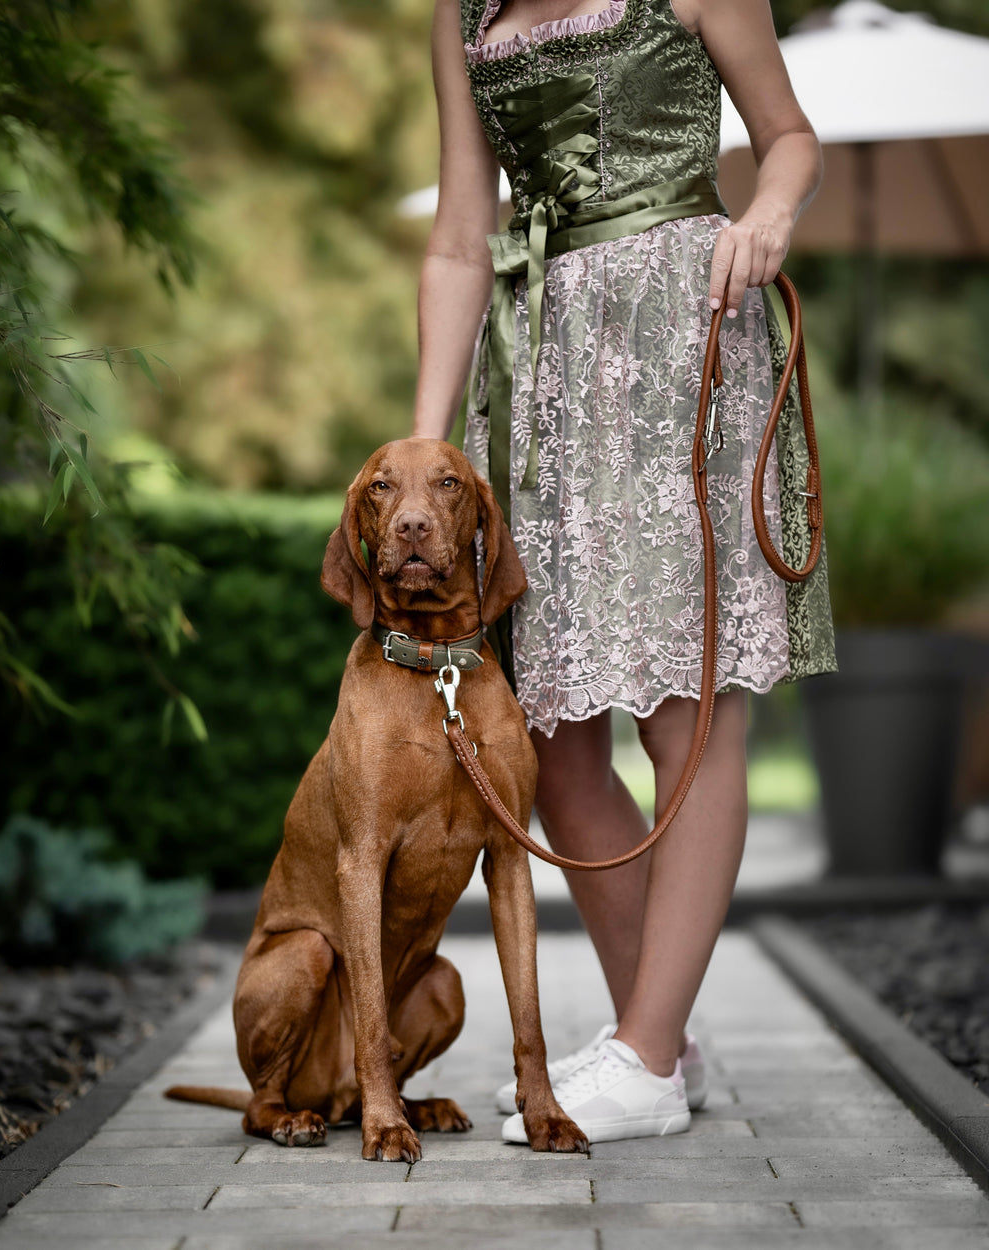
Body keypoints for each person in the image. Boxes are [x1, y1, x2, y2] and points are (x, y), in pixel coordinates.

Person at [412, 0, 836, 1144]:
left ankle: (643, 1053)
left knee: (687, 718)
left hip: (684, 340)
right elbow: (459, 238)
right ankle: (663, 1045)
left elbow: (789, 135)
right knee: (553, 735)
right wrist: (425, 451)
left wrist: (768, 212)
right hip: (540, 370)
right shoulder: (462, 11)